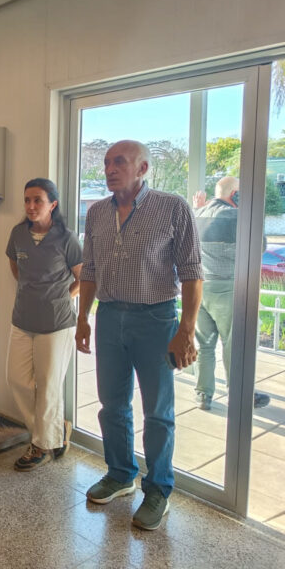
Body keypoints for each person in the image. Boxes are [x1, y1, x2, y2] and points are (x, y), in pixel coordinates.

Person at [75, 140, 203, 531]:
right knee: (112, 404)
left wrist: (186, 330)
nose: (110, 169)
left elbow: (192, 272)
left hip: (155, 319)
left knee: (158, 411)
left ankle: (159, 489)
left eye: (120, 162)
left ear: (143, 168)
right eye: (106, 163)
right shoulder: (97, 212)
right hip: (109, 317)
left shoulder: (172, 207)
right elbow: (90, 270)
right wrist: (83, 318)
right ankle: (120, 474)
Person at [5, 178, 82, 471]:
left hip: (56, 323)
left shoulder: (66, 238)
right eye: (27, 200)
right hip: (22, 318)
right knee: (17, 380)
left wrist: (61, 297)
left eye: (38, 200)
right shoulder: (18, 234)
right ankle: (56, 429)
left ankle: (41, 445)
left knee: (48, 386)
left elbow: (83, 278)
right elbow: (15, 266)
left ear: (53, 204)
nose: (31, 205)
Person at [193, 177, 270, 410]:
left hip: (200, 287)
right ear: (235, 193)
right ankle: (238, 393)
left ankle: (203, 395)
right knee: (233, 343)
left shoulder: (196, 214)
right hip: (227, 288)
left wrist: (199, 208)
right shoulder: (239, 217)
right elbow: (260, 247)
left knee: (204, 344)